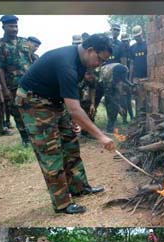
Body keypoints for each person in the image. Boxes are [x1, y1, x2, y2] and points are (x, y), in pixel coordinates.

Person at [16, 33, 116, 215]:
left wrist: (71, 120)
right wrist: (101, 137)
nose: (99, 65)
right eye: (100, 60)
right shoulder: (67, 65)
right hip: (34, 102)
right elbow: (75, 109)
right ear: (90, 50)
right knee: (51, 151)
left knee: (70, 141)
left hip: (53, 100)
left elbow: (70, 101)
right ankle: (62, 203)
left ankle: (79, 187)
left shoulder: (81, 62)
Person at [0, 15, 31, 145]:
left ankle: (35, 137)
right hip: (12, 86)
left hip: (29, 84)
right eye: (11, 26)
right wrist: (4, 88)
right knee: (17, 112)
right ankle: (26, 140)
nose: (14, 29)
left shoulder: (25, 42)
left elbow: (32, 62)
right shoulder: (0, 45)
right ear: (3, 27)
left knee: (32, 110)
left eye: (16, 26)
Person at [98, 62, 130, 133]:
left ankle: (112, 127)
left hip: (113, 90)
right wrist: (119, 107)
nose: (124, 76)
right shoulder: (109, 80)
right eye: (123, 75)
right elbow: (110, 97)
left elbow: (124, 79)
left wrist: (131, 84)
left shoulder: (122, 71)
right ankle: (109, 129)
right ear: (118, 75)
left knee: (117, 105)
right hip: (105, 91)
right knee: (112, 109)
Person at [129, 25, 148, 114]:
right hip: (136, 76)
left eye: (138, 36)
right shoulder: (132, 48)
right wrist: (130, 79)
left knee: (147, 97)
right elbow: (132, 64)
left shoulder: (147, 45)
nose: (137, 38)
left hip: (147, 76)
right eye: (136, 37)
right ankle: (138, 117)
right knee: (138, 97)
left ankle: (145, 115)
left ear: (142, 34)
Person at [119, 32, 134, 123]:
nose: (125, 43)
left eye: (126, 41)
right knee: (123, 101)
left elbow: (132, 65)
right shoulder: (120, 51)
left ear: (129, 41)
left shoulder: (131, 50)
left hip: (129, 79)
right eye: (123, 41)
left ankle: (132, 117)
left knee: (129, 101)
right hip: (122, 80)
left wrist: (130, 80)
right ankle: (124, 119)